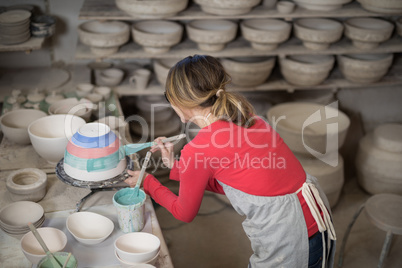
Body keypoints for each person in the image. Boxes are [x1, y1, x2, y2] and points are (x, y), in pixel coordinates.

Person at [124, 55, 336, 268]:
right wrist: (176, 165)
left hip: (292, 236)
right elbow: (240, 184)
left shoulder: (199, 149)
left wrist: (148, 183)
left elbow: (184, 212)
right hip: (317, 218)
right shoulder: (249, 117)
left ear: (179, 102)